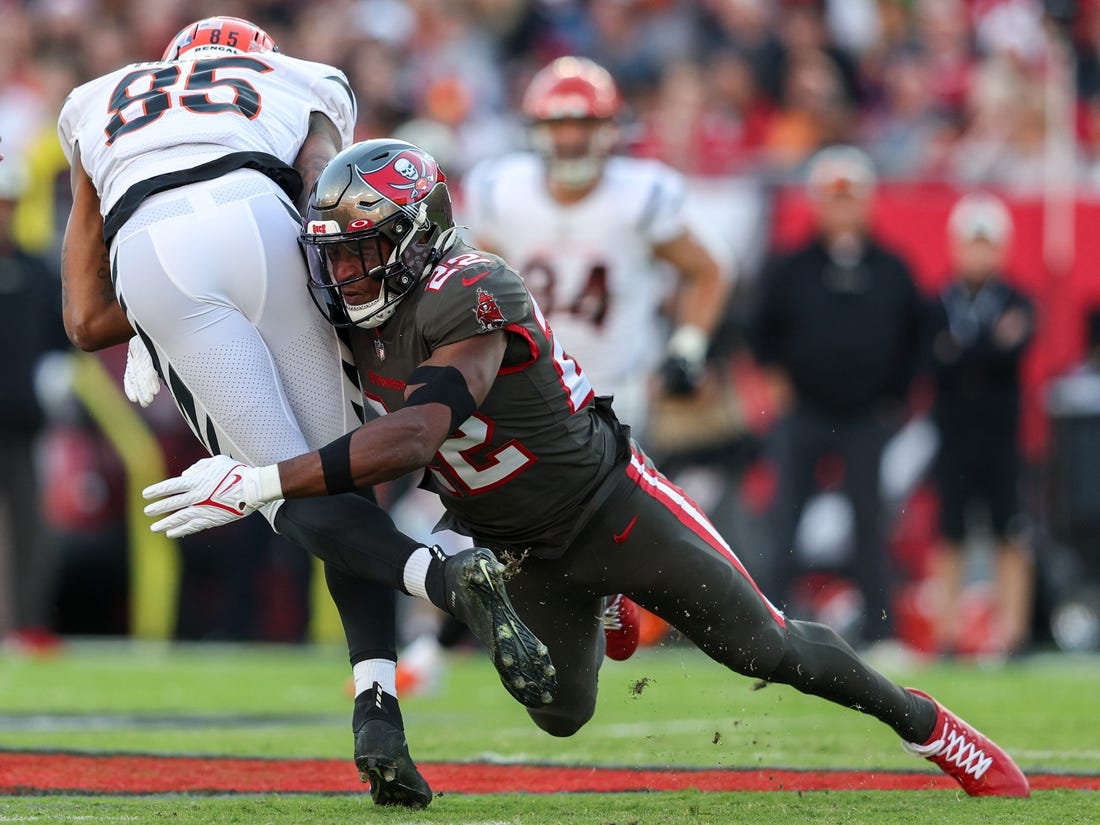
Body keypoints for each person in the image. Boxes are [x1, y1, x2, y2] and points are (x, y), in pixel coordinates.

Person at [143, 138, 1030, 798]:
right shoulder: (342, 315)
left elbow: (415, 437)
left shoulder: (474, 287)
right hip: (513, 546)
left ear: (417, 237)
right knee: (561, 712)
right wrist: (155, 332)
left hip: (608, 501)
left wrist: (261, 480)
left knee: (766, 646)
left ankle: (927, 725)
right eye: (332, 252)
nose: (343, 271)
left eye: (361, 250)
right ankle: (604, 602)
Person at [55, 16, 554, 809]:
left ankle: (446, 585)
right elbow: (331, 198)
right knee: (334, 475)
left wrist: (158, 327)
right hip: (264, 221)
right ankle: (378, 710)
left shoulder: (92, 99)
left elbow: (84, 319)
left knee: (288, 492)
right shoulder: (302, 78)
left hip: (150, 250)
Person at [393, 54, 731, 689]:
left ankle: (647, 609)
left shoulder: (642, 193)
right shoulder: (503, 188)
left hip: (614, 397)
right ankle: (437, 650)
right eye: (559, 125)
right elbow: (464, 282)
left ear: (608, 128)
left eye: (583, 124)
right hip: (526, 391)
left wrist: (688, 344)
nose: (571, 138)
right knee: (492, 525)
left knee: (591, 536)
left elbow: (708, 270)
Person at [748, 144, 923, 648]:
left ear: (867, 202)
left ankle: (879, 632)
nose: (842, 208)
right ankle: (766, 630)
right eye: (832, 197)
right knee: (786, 520)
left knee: (871, 522)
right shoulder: (791, 267)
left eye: (850, 198)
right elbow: (761, 332)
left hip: (866, 416)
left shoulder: (892, 268)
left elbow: (915, 338)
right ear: (816, 202)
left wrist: (894, 398)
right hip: (804, 411)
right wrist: (777, 382)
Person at [925, 192, 1035, 658]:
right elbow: (934, 361)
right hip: (953, 434)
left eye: (987, 244)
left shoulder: (1018, 299)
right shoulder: (937, 302)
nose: (978, 254)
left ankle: (1012, 633)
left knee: (1010, 532)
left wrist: (963, 351)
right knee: (949, 532)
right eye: (972, 243)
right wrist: (986, 347)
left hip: (1000, 435)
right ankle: (946, 632)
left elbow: (1008, 353)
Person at [0, 159, 69, 643]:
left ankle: (29, 623)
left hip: (21, 422)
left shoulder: (34, 270)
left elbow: (59, 342)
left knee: (31, 528)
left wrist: (54, 381)